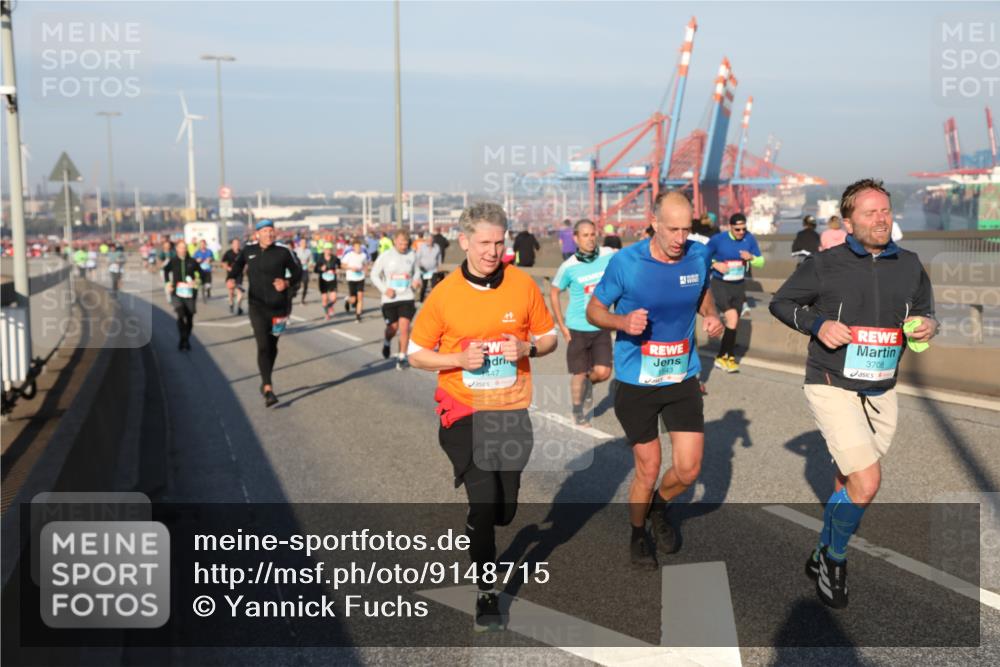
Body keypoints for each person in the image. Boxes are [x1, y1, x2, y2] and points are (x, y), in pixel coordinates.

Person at [769, 178, 937, 609]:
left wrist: (928, 326)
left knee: (848, 481)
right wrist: (818, 325)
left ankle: (821, 549)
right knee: (868, 480)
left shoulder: (910, 264)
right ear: (848, 222)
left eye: (885, 211)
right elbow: (781, 303)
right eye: (870, 213)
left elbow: (924, 312)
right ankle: (835, 561)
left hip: (881, 388)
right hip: (831, 383)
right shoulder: (825, 264)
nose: (881, 219)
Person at [408, 202, 557, 632]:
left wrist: (528, 349)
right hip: (463, 410)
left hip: (510, 410)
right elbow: (416, 354)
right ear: (464, 242)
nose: (493, 251)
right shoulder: (445, 294)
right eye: (484, 243)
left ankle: (483, 524)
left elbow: (549, 337)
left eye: (499, 242)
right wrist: (457, 359)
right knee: (484, 500)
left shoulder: (522, 285)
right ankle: (486, 590)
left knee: (505, 510)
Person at [586, 190, 723, 569]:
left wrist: (711, 315)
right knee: (647, 469)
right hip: (636, 383)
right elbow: (594, 310)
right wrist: (621, 321)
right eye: (673, 229)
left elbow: (702, 291)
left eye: (686, 230)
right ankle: (637, 533)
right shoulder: (626, 263)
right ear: (654, 223)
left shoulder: (698, 255)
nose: (680, 238)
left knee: (689, 469)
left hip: (681, 377)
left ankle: (659, 508)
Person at [226, 220, 302, 407]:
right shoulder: (248, 251)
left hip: (279, 307)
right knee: (263, 345)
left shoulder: (283, 252)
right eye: (265, 231)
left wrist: (287, 282)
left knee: (273, 345)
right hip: (257, 306)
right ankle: (268, 387)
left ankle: (266, 379)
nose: (269, 234)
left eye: (271, 231)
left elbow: (298, 272)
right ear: (257, 234)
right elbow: (237, 267)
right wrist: (231, 278)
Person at [549, 219, 615, 426]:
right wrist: (562, 325)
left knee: (604, 372)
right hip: (577, 327)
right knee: (579, 372)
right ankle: (577, 410)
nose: (590, 239)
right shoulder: (569, 267)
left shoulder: (608, 255)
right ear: (576, 239)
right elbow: (554, 292)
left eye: (592, 234)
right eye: (585, 235)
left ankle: (588, 384)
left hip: (601, 324)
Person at [706, 213, 764, 373]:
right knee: (732, 317)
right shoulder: (719, 239)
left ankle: (721, 357)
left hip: (738, 285)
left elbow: (761, 262)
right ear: (730, 227)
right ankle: (730, 357)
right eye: (737, 229)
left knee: (733, 322)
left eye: (744, 229)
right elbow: (703, 255)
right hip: (720, 284)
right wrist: (715, 264)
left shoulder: (749, 239)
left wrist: (751, 257)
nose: (741, 232)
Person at [370, 230, 421, 370]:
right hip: (390, 299)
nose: (403, 246)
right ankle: (387, 341)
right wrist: (385, 289)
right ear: (394, 242)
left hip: (407, 296)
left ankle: (402, 357)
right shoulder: (385, 256)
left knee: (405, 327)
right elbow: (374, 275)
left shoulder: (412, 254)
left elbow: (417, 271)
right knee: (392, 328)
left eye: (406, 244)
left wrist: (415, 280)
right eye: (400, 244)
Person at [163, 240, 201, 351]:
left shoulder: (192, 261)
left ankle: (186, 339)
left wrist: (196, 281)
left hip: (190, 294)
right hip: (177, 293)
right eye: (180, 247)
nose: (183, 250)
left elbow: (201, 273)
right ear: (177, 249)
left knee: (189, 318)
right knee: (180, 315)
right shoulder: (173, 261)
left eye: (184, 248)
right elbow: (165, 270)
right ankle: (182, 338)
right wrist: (168, 283)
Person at [341, 238, 369, 323]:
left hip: (360, 278)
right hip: (351, 278)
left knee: (360, 297)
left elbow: (365, 264)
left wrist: (365, 271)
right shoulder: (349, 255)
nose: (358, 248)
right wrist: (351, 268)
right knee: (353, 299)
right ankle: (347, 300)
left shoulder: (363, 255)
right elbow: (342, 265)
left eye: (359, 247)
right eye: (356, 247)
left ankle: (358, 317)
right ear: (353, 247)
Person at [314, 246, 341, 320]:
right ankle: (326, 314)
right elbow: (315, 270)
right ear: (324, 250)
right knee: (325, 299)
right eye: (326, 249)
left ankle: (329, 306)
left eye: (329, 249)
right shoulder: (320, 259)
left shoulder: (335, 258)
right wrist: (321, 269)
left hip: (332, 280)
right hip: (323, 281)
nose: (328, 251)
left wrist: (338, 269)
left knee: (334, 298)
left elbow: (339, 265)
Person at [415, 232, 442, 302]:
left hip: (434, 270)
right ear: (426, 240)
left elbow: (439, 257)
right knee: (424, 286)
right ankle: (421, 300)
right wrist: (420, 266)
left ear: (433, 240)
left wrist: (439, 266)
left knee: (434, 286)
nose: (430, 241)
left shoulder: (437, 247)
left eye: (431, 239)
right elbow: (417, 258)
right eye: (428, 240)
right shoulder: (422, 247)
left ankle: (434, 300)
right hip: (424, 270)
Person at [221, 238, 245, 315]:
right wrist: (228, 268)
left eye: (238, 243)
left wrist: (244, 270)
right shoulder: (228, 253)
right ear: (232, 244)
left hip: (239, 275)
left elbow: (246, 263)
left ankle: (239, 307)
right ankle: (231, 304)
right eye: (235, 243)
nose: (236, 245)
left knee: (240, 292)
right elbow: (223, 262)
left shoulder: (242, 253)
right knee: (231, 291)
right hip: (231, 275)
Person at [293, 238, 314, 305]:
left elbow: (311, 260)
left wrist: (310, 264)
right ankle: (293, 293)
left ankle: (302, 300)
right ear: (300, 243)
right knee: (298, 285)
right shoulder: (296, 250)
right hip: (297, 269)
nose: (303, 244)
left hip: (305, 269)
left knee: (305, 284)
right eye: (302, 242)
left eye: (305, 242)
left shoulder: (309, 251)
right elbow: (292, 259)